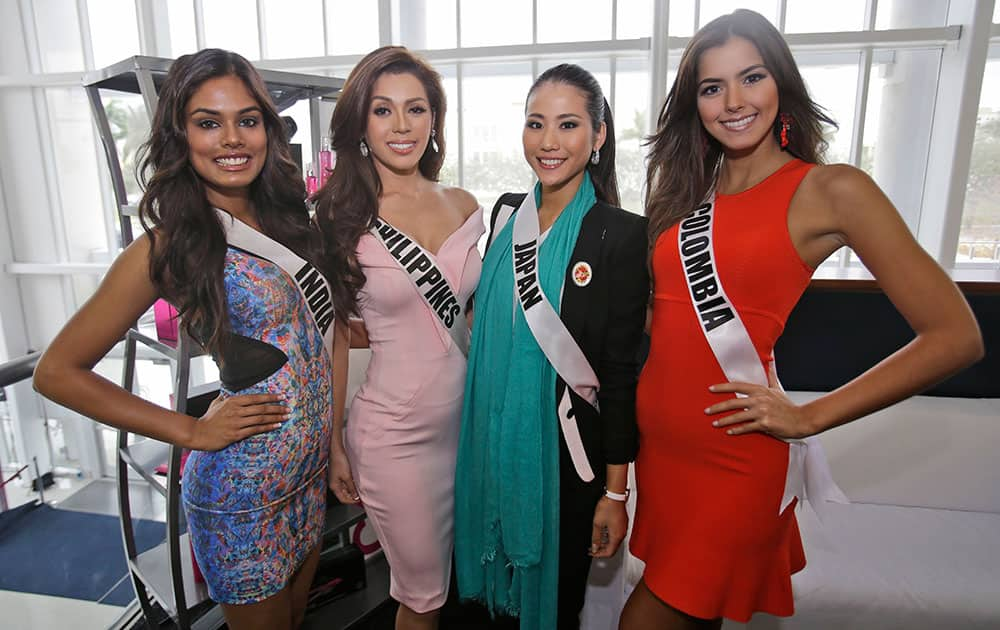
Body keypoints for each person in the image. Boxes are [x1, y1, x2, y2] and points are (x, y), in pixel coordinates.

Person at [621, 10, 985, 630]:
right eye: (712, 87)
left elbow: (957, 336)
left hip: (734, 464)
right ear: (695, 103)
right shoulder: (685, 196)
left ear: (781, 85)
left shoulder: (830, 190)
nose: (733, 102)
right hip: (663, 461)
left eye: (752, 78)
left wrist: (809, 416)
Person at [33, 49, 340, 630]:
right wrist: (192, 430)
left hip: (305, 480)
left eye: (248, 120)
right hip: (240, 495)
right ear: (181, 133)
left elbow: (320, 341)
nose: (232, 139)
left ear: (267, 131)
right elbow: (57, 372)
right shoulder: (169, 243)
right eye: (208, 122)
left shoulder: (285, 218)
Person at [454, 64, 649, 630]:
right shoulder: (506, 211)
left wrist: (616, 492)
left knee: (557, 608)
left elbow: (618, 375)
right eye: (536, 124)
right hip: (488, 448)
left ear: (599, 136)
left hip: (568, 459)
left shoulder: (622, 234)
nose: (548, 142)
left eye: (567, 125)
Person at [313, 46, 482, 630]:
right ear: (361, 122)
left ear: (434, 118)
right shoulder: (340, 217)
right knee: (422, 597)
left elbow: (472, 318)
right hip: (394, 439)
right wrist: (334, 443)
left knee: (462, 588)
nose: (402, 125)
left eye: (416, 109)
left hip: (468, 428)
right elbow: (335, 339)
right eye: (383, 110)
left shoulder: (465, 205)